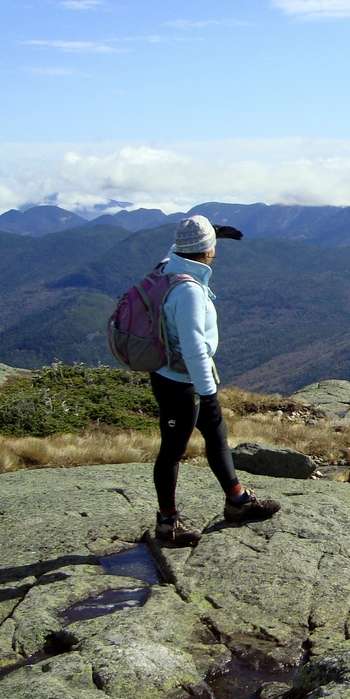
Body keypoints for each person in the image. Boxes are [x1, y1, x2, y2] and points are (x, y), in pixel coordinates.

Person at [152, 215, 280, 544]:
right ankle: (167, 524)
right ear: (206, 251)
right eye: (212, 247)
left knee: (216, 434)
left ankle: (237, 500)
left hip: (173, 373)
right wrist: (209, 397)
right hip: (180, 381)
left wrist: (212, 236)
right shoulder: (190, 291)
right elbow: (194, 350)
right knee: (173, 450)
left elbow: (178, 249)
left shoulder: (169, 266)